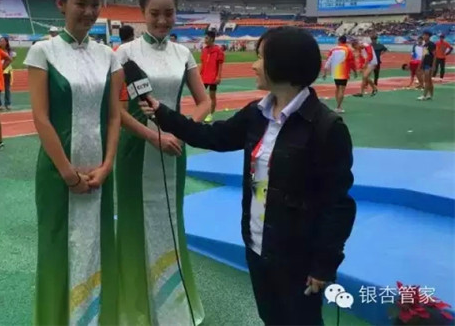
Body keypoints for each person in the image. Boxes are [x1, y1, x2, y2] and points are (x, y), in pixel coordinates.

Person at [138, 27, 356, 326]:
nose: (254, 65)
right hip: (257, 245)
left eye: (261, 58)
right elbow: (213, 136)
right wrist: (162, 113)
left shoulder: (326, 127)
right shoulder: (257, 113)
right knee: (271, 317)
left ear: (282, 64)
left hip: (297, 255)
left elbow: (337, 204)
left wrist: (324, 265)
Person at [24, 0, 123, 325]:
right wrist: (68, 175)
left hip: (100, 173)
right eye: (81, 3)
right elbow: (41, 118)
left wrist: (107, 165)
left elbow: (114, 116)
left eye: (95, 4)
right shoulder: (42, 52)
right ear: (61, 4)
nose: (89, 12)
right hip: (57, 173)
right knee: (57, 248)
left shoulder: (108, 56)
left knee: (97, 245)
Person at [115, 0, 210, 325]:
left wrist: (181, 129)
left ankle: (173, 305)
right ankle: (135, 308)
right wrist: (152, 136)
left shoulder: (183, 53)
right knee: (133, 222)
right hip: (135, 150)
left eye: (168, 13)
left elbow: (204, 101)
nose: (162, 20)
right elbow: (115, 109)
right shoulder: (124, 53)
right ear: (142, 14)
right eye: (154, 13)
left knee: (171, 220)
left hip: (174, 149)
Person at [322, 35, 357, 113]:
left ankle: (338, 106)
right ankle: (338, 107)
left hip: (335, 72)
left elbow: (328, 61)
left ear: (339, 41)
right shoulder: (348, 50)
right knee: (342, 89)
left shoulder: (333, 49)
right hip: (344, 72)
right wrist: (355, 71)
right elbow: (352, 62)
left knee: (337, 88)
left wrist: (325, 72)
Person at [200, 29, 225, 122]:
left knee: (212, 96)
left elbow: (220, 64)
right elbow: (203, 64)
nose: (205, 40)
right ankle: (203, 112)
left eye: (206, 38)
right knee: (200, 96)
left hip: (213, 77)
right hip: (204, 77)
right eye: (205, 38)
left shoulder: (218, 50)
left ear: (211, 39)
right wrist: (199, 74)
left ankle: (210, 114)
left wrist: (218, 76)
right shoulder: (204, 50)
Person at [0, 36, 16, 110]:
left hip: (7, 71)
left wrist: (3, 67)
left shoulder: (10, 51)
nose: (1, 42)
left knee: (7, 88)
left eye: (2, 41)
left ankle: (7, 104)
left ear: (6, 42)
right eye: (0, 41)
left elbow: (11, 59)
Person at [419, 30, 436, 101]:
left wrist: (433, 65)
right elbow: (424, 55)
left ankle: (424, 95)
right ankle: (431, 95)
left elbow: (435, 55)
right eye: (423, 35)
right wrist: (421, 63)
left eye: (425, 35)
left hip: (429, 64)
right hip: (425, 63)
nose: (424, 36)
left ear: (429, 36)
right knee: (429, 80)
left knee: (426, 80)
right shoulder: (425, 45)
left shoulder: (431, 44)